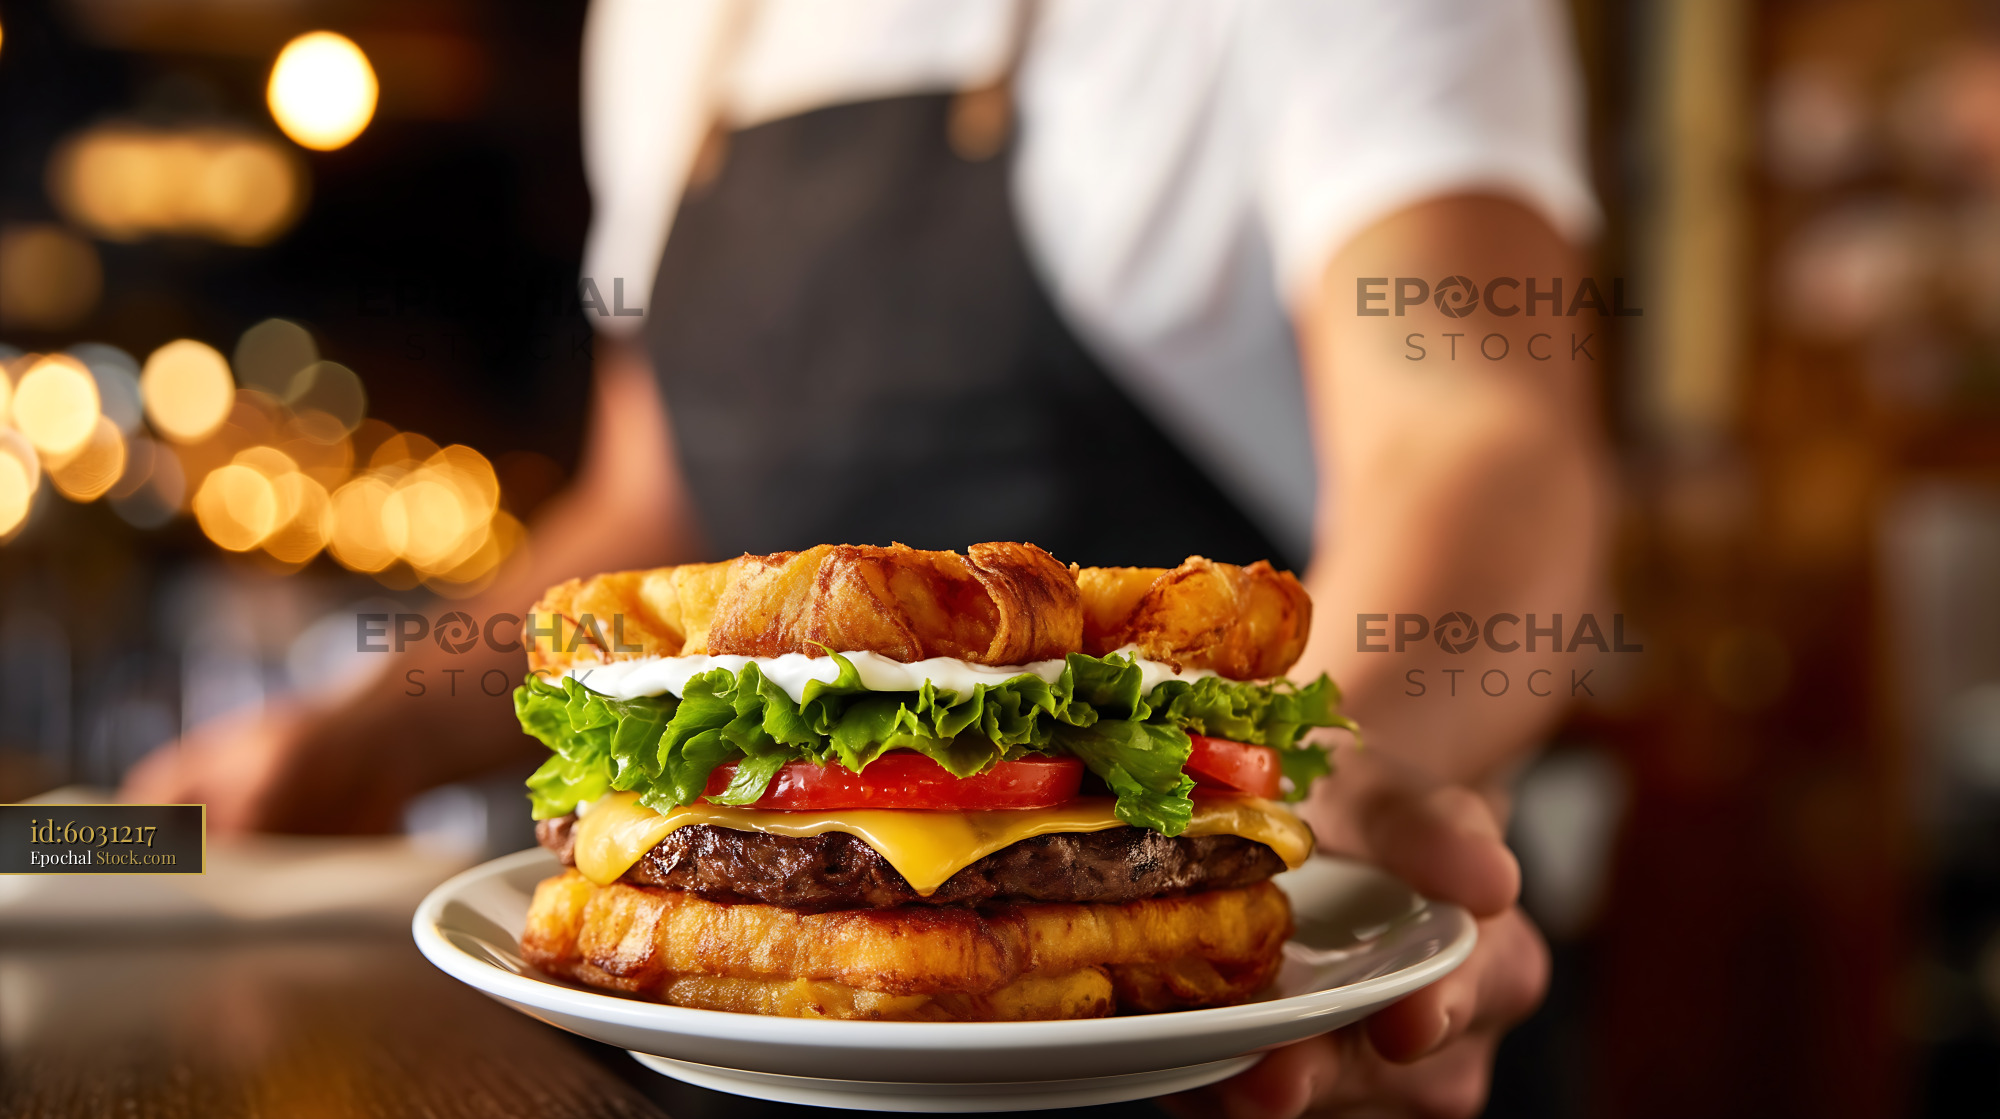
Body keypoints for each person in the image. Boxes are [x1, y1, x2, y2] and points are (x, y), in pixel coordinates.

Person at [127, 1, 1608, 1114]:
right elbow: (658, 514)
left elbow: (1474, 423)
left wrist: (1326, 764)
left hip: (1238, 1067)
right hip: (702, 1072)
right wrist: (345, 742)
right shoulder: (667, 23)